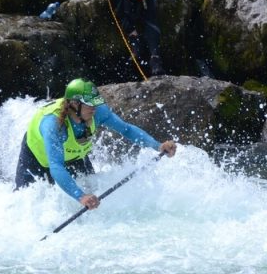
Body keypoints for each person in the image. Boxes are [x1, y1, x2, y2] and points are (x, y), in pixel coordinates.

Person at [14, 78, 177, 210]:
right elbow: (56, 166)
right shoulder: (53, 125)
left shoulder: (98, 111)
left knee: (92, 196)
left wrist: (157, 145)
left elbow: (126, 130)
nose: (94, 108)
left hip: (76, 157)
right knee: (27, 204)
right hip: (36, 160)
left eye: (95, 102)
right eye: (89, 103)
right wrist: (80, 196)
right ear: (74, 104)